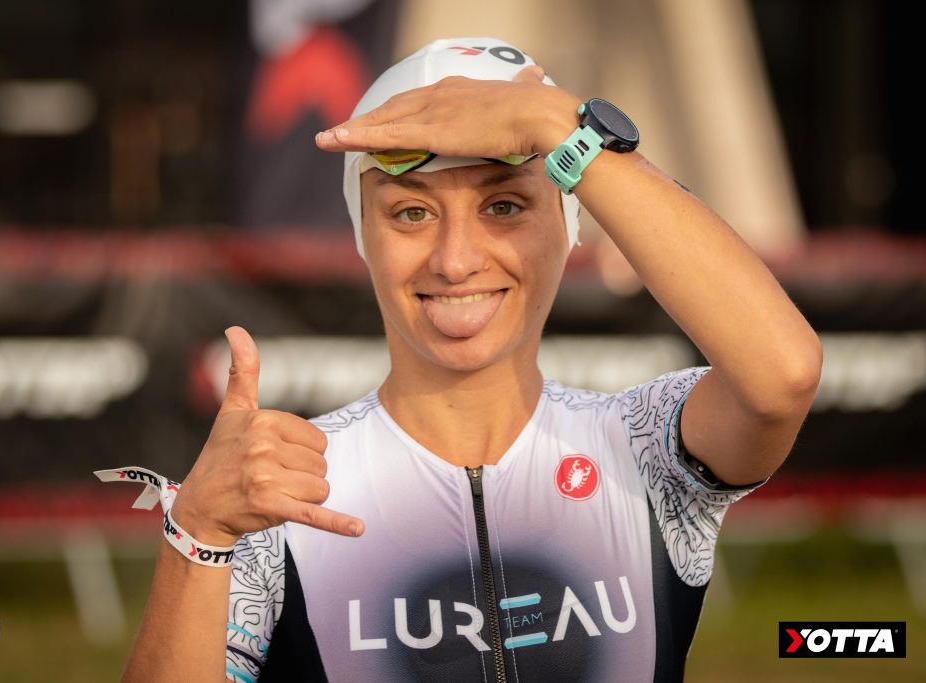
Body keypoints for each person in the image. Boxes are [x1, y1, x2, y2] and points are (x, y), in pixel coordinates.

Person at [109, 37, 822, 682]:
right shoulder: (281, 496)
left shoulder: (643, 446)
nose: (455, 261)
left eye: (504, 206)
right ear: (363, 235)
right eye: (411, 212)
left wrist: (555, 124)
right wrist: (198, 532)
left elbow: (782, 376)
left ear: (569, 225)